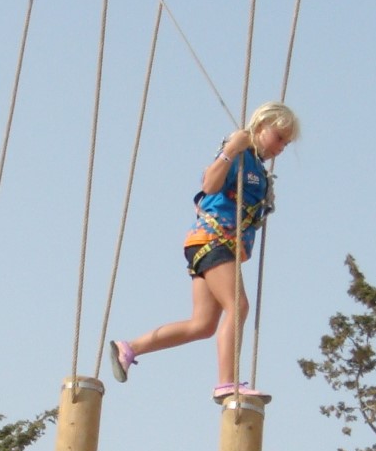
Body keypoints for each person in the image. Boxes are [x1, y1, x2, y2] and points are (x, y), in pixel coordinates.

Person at [109, 101, 300, 399]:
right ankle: (227, 382)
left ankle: (131, 347)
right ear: (261, 127)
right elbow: (210, 184)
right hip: (214, 241)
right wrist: (230, 150)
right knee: (239, 306)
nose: (282, 147)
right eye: (279, 138)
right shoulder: (240, 153)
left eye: (286, 143)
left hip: (211, 244)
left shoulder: (258, 169)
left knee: (202, 325)